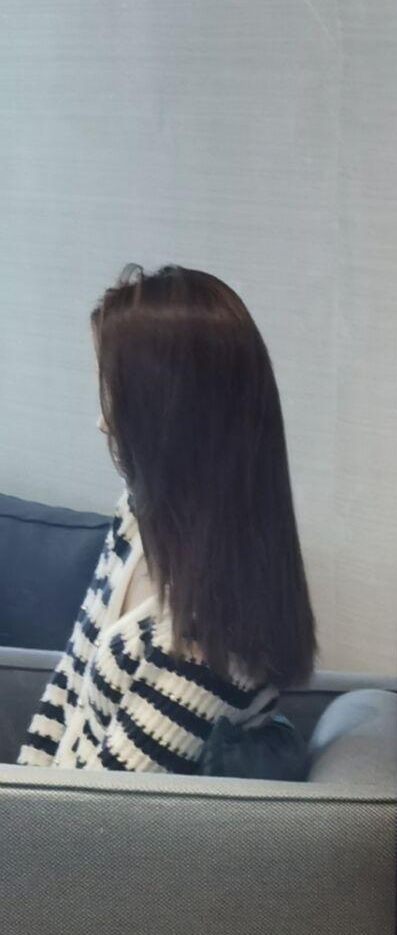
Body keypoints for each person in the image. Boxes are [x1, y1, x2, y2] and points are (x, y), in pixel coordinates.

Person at [16, 263, 315, 774]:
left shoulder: (208, 644)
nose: (101, 421)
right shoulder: (137, 518)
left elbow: (103, 814)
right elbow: (66, 689)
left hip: (70, 824)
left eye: (113, 395)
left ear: (167, 417)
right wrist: (20, 787)